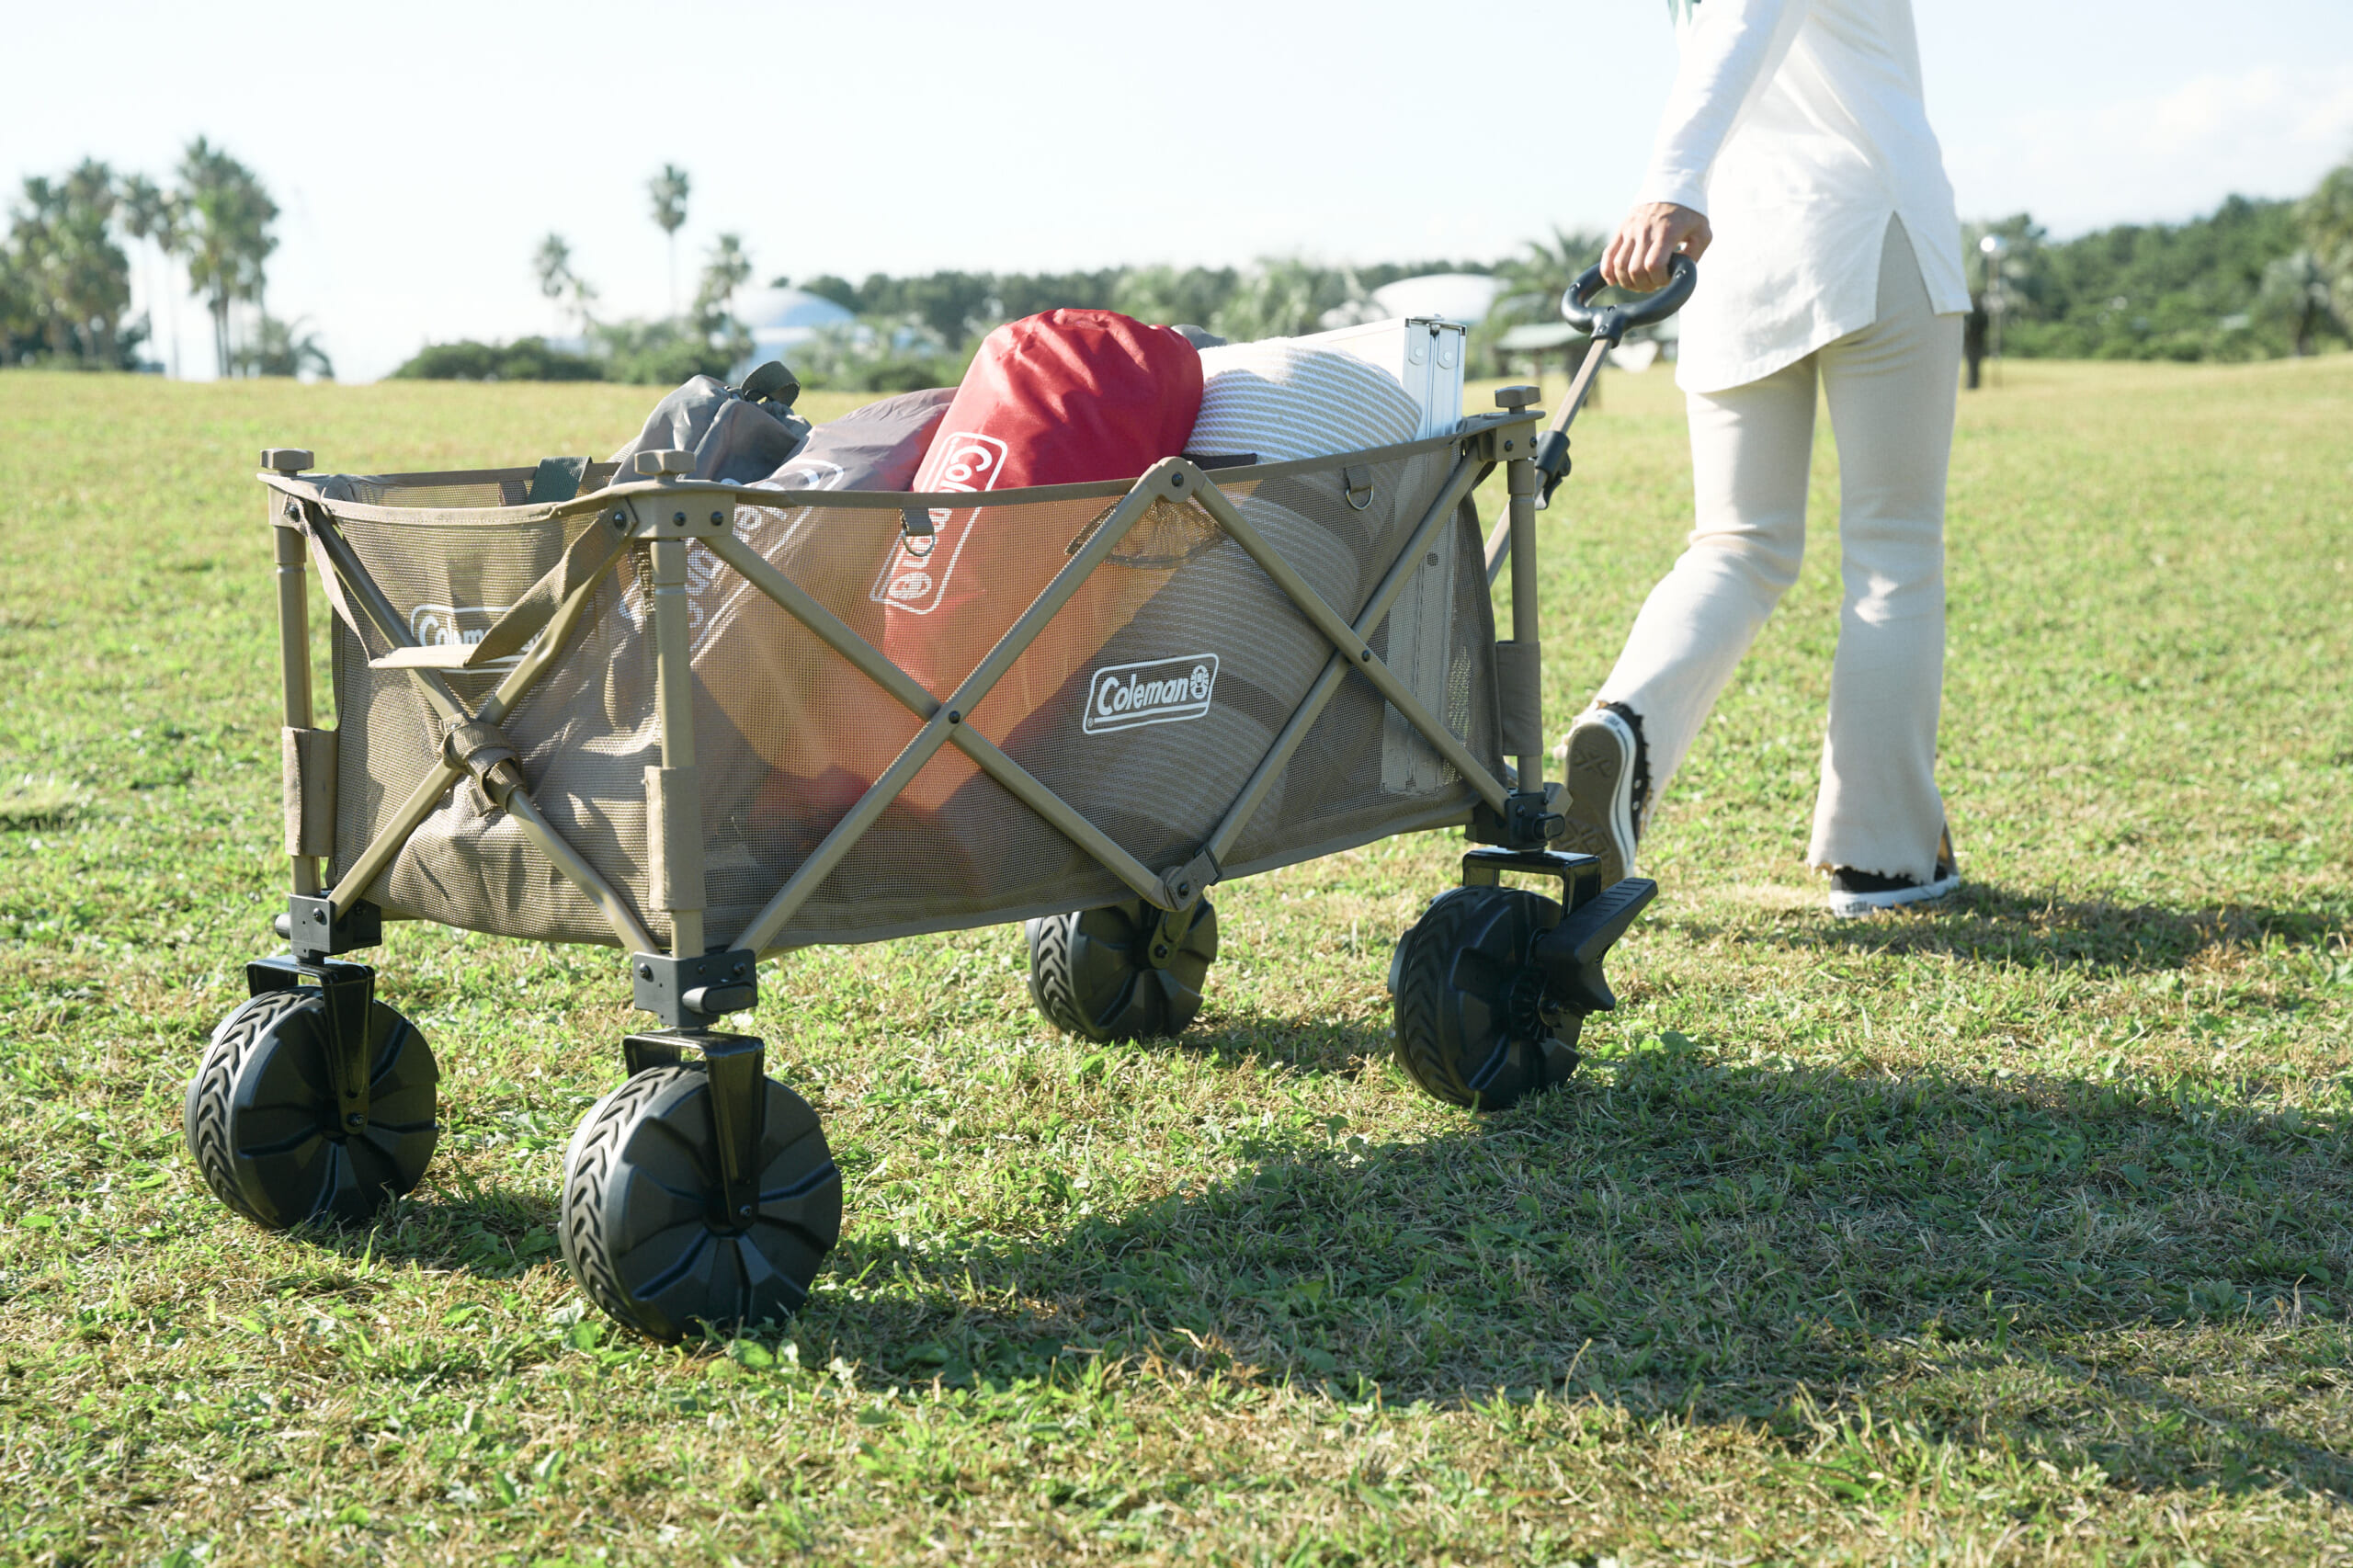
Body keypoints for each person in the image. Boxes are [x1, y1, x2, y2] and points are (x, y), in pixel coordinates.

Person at [1553, 0, 1969, 916]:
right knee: (1893, 551)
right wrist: (1670, 182)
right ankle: (1884, 858)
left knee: (1737, 543)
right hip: (1873, 223)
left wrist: (1678, 185)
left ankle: (1626, 725)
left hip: (1736, 256)